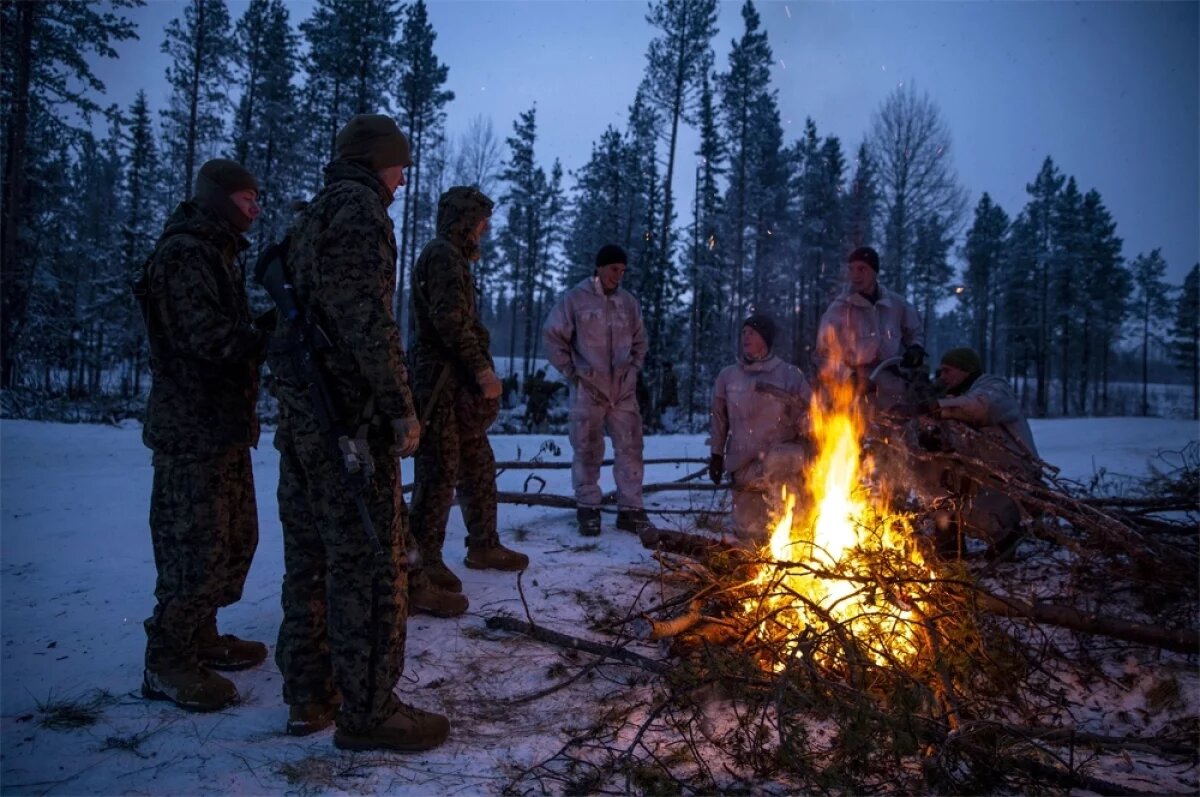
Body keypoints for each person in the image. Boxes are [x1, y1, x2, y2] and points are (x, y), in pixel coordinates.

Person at [268, 114, 448, 751]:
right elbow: (364, 320)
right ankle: (369, 711)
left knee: (310, 559)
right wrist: (402, 406)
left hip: (308, 423)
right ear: (379, 161)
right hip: (350, 426)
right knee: (372, 564)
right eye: (400, 166)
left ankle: (309, 694)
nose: (403, 180)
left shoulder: (312, 215)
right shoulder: (359, 212)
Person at [139, 158, 270, 712]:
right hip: (191, 429)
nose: (254, 206)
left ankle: (202, 634)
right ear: (217, 197)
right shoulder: (185, 254)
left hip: (220, 426)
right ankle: (167, 660)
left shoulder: (216, 252)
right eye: (246, 197)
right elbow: (204, 339)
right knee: (193, 547)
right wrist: (270, 335)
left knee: (233, 540)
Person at [409, 186, 529, 596]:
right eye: (480, 221)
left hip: (456, 385)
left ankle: (483, 545)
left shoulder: (453, 258)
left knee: (477, 462)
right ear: (464, 221)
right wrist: (481, 369)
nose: (484, 229)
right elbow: (450, 321)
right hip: (441, 383)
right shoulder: (442, 256)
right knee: (439, 470)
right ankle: (421, 561)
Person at [543, 244, 650, 537]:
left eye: (623, 270)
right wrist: (573, 372)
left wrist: (633, 369)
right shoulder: (575, 300)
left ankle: (631, 509)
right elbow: (552, 337)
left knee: (631, 449)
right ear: (600, 267)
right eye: (615, 269)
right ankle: (588, 508)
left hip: (623, 391)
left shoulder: (628, 303)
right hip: (588, 388)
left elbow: (641, 340)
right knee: (587, 448)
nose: (619, 275)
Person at [913, 347, 1039, 558]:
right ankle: (949, 543)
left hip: (1014, 478)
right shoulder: (956, 397)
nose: (942, 377)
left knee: (972, 511)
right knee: (935, 482)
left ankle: (1005, 535)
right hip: (982, 473)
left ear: (965, 370)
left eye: (947, 371)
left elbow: (981, 408)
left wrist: (937, 407)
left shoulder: (994, 388)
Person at [709, 315, 812, 544]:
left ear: (765, 338)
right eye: (743, 332)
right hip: (744, 466)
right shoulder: (728, 377)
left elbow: (807, 417)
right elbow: (719, 418)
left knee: (789, 532)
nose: (745, 337)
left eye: (752, 332)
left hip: (782, 465)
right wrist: (716, 455)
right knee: (750, 537)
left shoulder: (789, 375)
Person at [815, 246, 925, 410]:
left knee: (894, 432)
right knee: (859, 432)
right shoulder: (839, 309)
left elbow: (916, 331)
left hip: (892, 391)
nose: (856, 275)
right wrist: (848, 376)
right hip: (854, 392)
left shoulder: (896, 305)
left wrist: (916, 348)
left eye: (862, 269)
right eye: (851, 269)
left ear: (874, 271)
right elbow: (823, 353)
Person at [523, 368, 565, 432]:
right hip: (540, 403)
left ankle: (528, 426)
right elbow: (551, 386)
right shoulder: (541, 383)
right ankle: (532, 427)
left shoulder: (533, 382)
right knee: (540, 417)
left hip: (535, 403)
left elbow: (526, 390)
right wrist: (560, 385)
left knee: (533, 415)